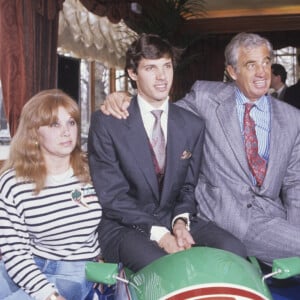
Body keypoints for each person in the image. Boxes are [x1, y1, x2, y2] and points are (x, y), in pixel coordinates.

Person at [100, 32, 300, 265]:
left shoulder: (292, 118)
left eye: (266, 62)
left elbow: (295, 182)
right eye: (251, 64)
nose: (262, 73)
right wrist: (125, 97)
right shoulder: (205, 98)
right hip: (222, 215)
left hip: (274, 220)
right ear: (232, 72)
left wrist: (292, 234)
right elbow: (159, 112)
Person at [88, 33, 247, 272]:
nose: (162, 77)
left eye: (167, 66)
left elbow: (186, 188)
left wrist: (180, 223)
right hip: (125, 226)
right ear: (133, 73)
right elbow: (112, 197)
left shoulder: (192, 124)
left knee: (234, 250)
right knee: (167, 267)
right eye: (151, 68)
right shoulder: (107, 122)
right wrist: (162, 236)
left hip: (171, 219)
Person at [0, 89, 102, 300]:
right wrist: (46, 293)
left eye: (71, 122)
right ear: (35, 133)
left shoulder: (94, 171)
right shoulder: (13, 182)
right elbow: (15, 252)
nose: (67, 132)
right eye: (55, 124)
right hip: (26, 266)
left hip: (75, 272)